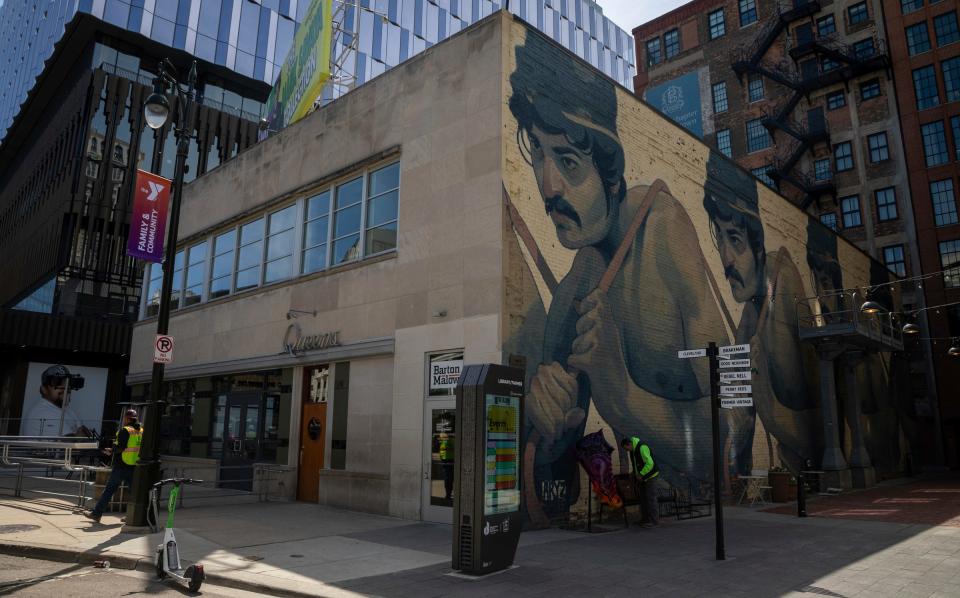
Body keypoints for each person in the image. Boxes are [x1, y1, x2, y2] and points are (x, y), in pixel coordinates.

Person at [507, 32, 730, 514]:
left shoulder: (665, 230)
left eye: (567, 161)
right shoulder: (575, 291)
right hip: (647, 513)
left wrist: (620, 389)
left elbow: (724, 442)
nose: (547, 185)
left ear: (610, 173)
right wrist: (552, 431)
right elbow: (554, 494)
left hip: (702, 523)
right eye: (539, 154)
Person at [703, 160, 821, 473]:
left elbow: (817, 439)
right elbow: (737, 428)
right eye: (720, 239)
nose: (725, 259)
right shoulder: (750, 314)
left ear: (757, 247)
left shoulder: (781, 287)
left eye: (735, 239)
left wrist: (763, 396)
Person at [86, 409, 141, 523]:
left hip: (121, 465)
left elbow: (121, 447)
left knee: (109, 490)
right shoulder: (141, 431)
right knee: (133, 493)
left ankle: (96, 514)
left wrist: (111, 450)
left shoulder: (125, 431)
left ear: (126, 418)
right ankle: (131, 516)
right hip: (134, 465)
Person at [22, 365, 89, 437]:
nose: (65, 388)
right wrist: (78, 435)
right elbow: (67, 443)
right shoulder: (41, 413)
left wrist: (79, 435)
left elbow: (85, 434)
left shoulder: (67, 409)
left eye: (67, 383)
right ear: (44, 389)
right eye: (57, 382)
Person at [621, 436, 659, 527]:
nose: (627, 451)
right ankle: (645, 519)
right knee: (643, 498)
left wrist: (641, 474)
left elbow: (650, 463)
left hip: (650, 476)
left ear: (629, 444)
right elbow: (637, 463)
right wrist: (634, 473)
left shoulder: (642, 447)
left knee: (651, 498)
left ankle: (654, 521)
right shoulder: (633, 450)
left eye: (627, 448)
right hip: (642, 477)